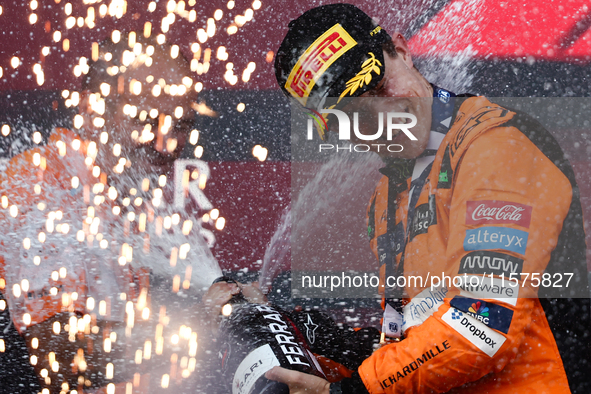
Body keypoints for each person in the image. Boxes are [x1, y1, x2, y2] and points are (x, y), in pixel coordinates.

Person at [268, 4, 591, 393]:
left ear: (402, 51)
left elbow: (482, 325)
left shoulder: (495, 146)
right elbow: (414, 345)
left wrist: (355, 391)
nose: (388, 116)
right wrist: (302, 333)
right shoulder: (389, 193)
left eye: (379, 86)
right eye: (356, 114)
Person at [0, 32, 218, 393]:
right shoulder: (37, 186)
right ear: (90, 108)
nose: (167, 144)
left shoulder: (120, 197)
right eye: (146, 121)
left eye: (180, 125)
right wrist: (200, 322)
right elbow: (63, 358)